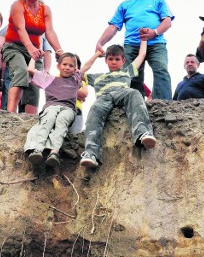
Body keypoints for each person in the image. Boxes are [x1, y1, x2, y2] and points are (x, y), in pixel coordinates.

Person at [96, 0, 174, 100]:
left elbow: (167, 21)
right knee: (130, 75)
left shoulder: (158, 0)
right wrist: (100, 42)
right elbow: (113, 26)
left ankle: (164, 104)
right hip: (131, 45)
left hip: (156, 43)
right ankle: (133, 102)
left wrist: (154, 32)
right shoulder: (125, 5)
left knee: (161, 69)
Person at [80, 41, 156, 169]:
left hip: (122, 92)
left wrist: (144, 40)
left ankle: (143, 133)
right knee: (94, 109)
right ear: (106, 60)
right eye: (110, 59)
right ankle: (91, 153)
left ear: (123, 60)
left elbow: (141, 56)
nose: (114, 62)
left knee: (134, 93)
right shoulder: (96, 77)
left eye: (117, 59)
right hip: (103, 98)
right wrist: (97, 54)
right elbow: (79, 73)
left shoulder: (127, 72)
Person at [24, 51, 103, 167]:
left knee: (62, 123)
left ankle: (54, 152)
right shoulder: (49, 79)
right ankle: (37, 149)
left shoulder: (76, 79)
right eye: (64, 64)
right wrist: (33, 58)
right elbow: (30, 70)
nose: (67, 68)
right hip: (51, 106)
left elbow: (86, 66)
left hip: (68, 108)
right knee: (48, 120)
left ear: (75, 69)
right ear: (58, 66)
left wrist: (96, 54)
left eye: (71, 66)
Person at [2, 0, 64, 114]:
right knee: (22, 72)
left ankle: (30, 119)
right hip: (14, 47)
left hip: (35, 51)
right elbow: (20, 28)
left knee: (35, 80)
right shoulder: (18, 5)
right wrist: (30, 47)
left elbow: (49, 31)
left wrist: (59, 50)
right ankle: (10, 114)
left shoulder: (45, 9)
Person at [69, 54, 89, 134]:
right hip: (61, 109)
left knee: (75, 136)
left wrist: (66, 88)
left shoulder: (82, 81)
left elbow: (84, 94)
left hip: (77, 110)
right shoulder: (59, 77)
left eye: (74, 64)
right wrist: (78, 94)